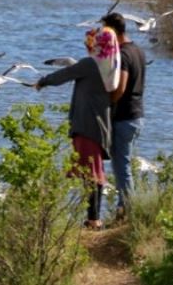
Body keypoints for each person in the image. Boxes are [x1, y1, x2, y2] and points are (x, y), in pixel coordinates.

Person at [34, 27, 116, 230]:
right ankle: (94, 218)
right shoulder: (109, 64)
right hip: (100, 125)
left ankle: (94, 220)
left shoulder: (91, 63)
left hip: (87, 125)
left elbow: (64, 75)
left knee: (92, 175)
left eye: (90, 43)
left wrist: (42, 82)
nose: (88, 47)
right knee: (95, 171)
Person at [101, 12, 146, 219]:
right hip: (137, 115)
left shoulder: (124, 54)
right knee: (122, 164)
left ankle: (126, 210)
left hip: (125, 117)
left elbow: (121, 86)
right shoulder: (138, 50)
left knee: (121, 166)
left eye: (105, 30)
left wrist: (109, 101)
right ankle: (125, 207)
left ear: (112, 31)